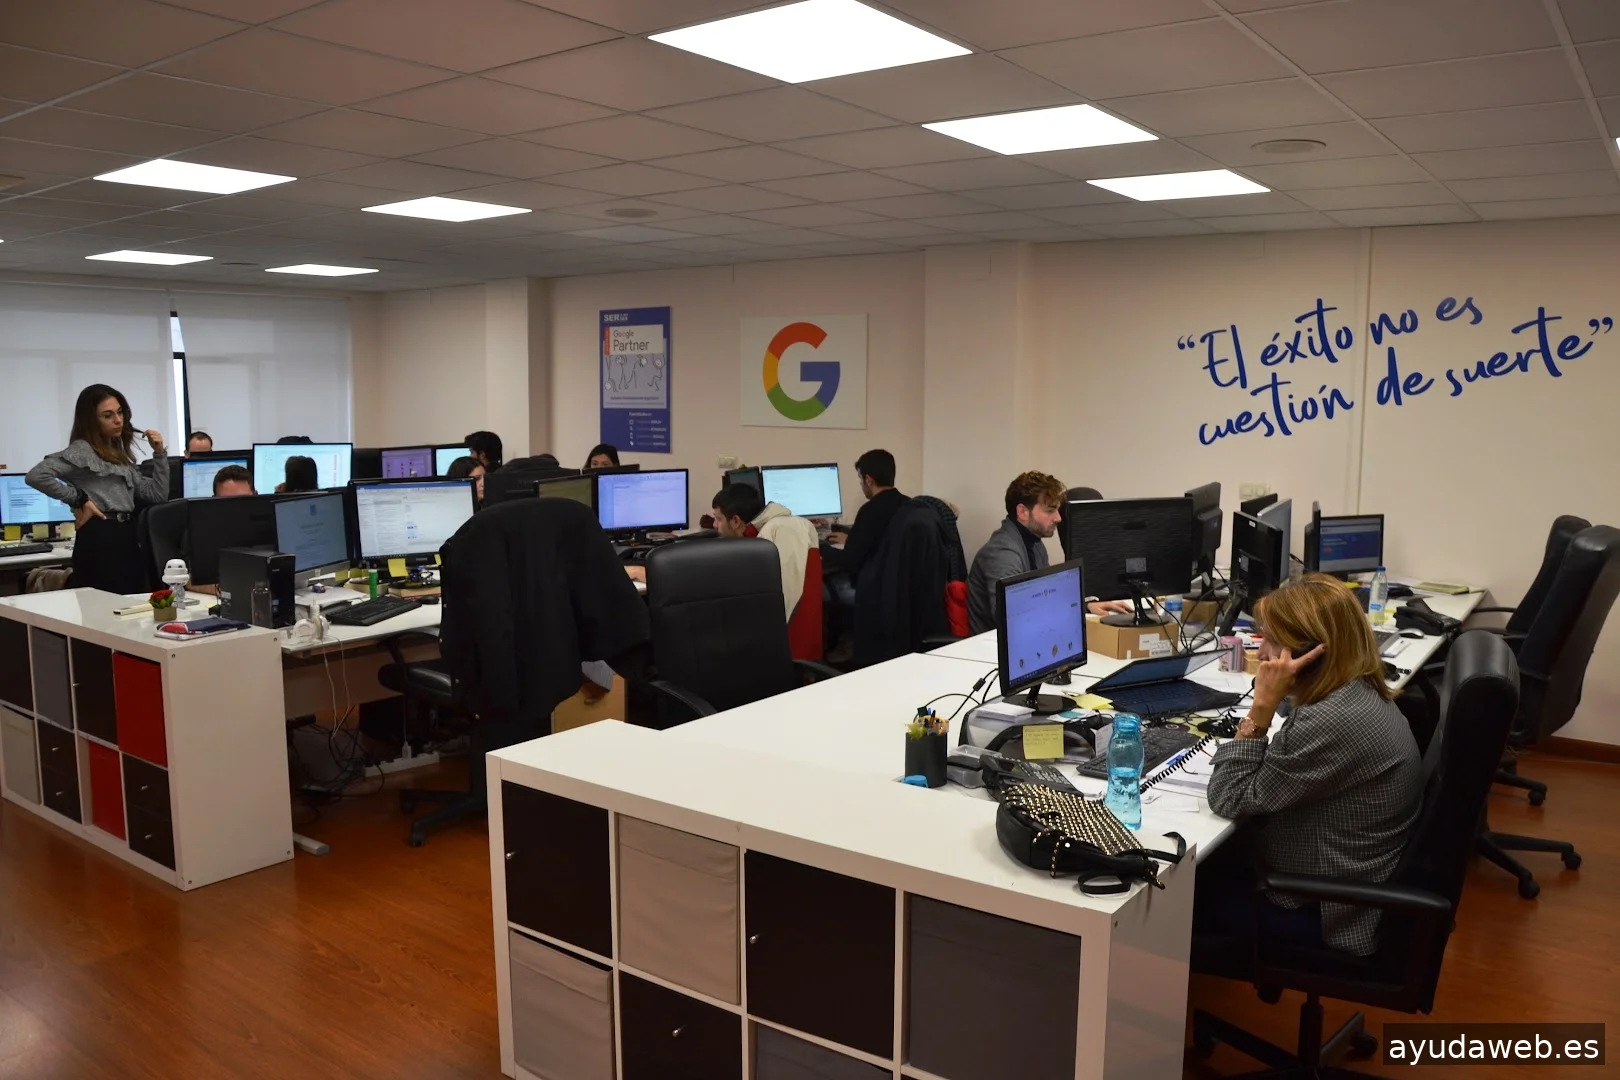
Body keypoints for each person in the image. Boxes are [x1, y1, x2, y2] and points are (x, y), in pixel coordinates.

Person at [1196, 573, 1422, 956]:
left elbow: (1228, 796)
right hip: (1343, 879)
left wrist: (1262, 706)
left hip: (1324, 909)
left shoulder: (1332, 720)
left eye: (1271, 640)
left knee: (1175, 890)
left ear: (1310, 651)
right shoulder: (1355, 690)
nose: (1261, 653)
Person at [25, 384, 170, 593]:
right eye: (107, 415)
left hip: (127, 535)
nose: (118, 420)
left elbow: (157, 495)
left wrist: (159, 454)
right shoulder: (81, 451)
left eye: (120, 412)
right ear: (91, 420)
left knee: (133, 605)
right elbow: (36, 476)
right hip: (99, 536)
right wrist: (78, 498)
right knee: (102, 608)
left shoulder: (117, 454)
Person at [966, 471, 1131, 634]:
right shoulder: (1002, 552)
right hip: (995, 645)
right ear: (1022, 512)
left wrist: (1085, 606)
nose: (1058, 518)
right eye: (1050, 510)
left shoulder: (1034, 543)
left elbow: (1046, 598)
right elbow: (1012, 618)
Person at [707, 482, 820, 620]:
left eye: (718, 519)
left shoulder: (776, 531)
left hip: (787, 630)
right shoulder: (771, 530)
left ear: (735, 521)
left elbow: (783, 605)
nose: (714, 525)